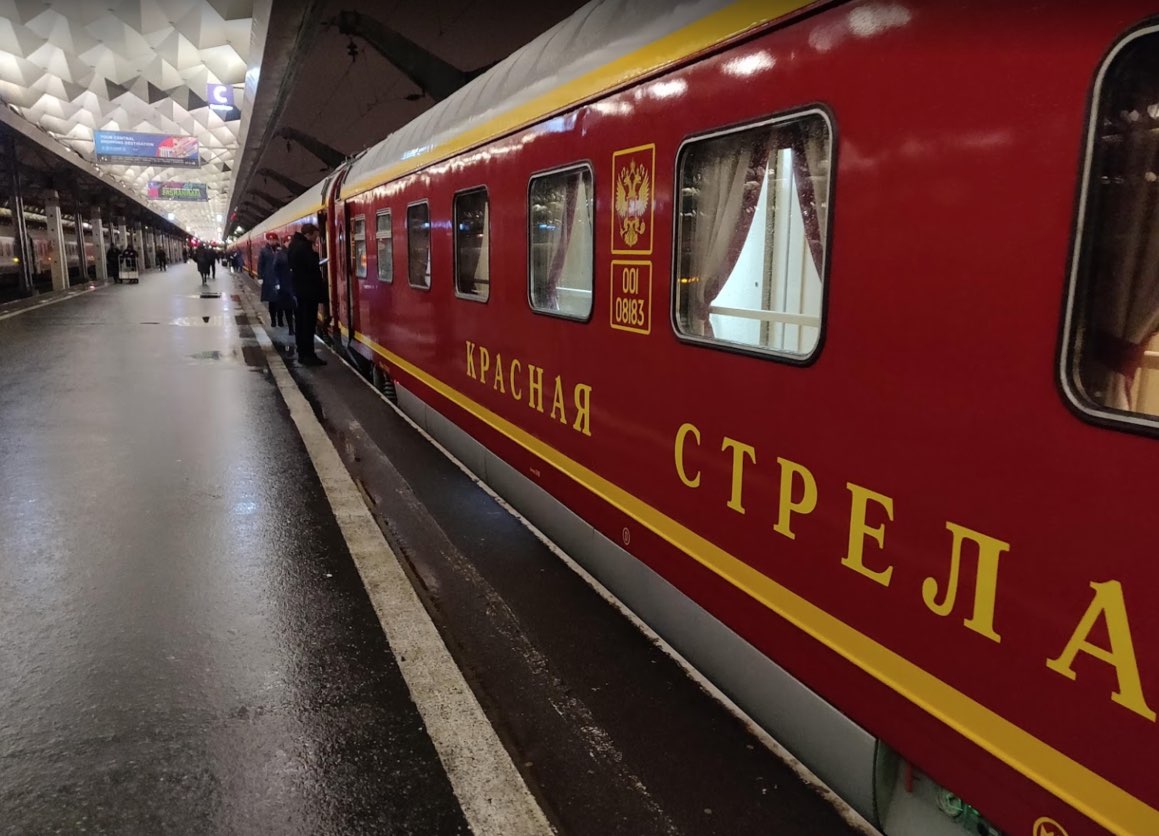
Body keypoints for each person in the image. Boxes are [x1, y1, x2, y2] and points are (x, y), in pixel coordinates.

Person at [287, 223, 326, 366]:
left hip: (300, 291)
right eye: (316, 235)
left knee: (301, 324)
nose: (317, 238)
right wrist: (315, 254)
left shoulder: (294, 245)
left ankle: (303, 354)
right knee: (308, 325)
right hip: (307, 292)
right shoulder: (304, 247)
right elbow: (310, 267)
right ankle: (308, 355)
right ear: (309, 234)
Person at [258, 232, 283, 326]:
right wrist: (260, 277)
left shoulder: (280, 250)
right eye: (270, 240)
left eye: (273, 240)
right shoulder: (264, 251)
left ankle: (280, 320)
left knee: (280, 301)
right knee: (272, 301)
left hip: (280, 278)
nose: (271, 241)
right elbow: (260, 264)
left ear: (276, 240)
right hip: (269, 279)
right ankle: (273, 320)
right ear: (267, 240)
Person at [275, 234, 295, 339]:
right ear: (284, 243)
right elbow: (275, 269)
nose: (289, 244)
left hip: (293, 284)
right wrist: (277, 283)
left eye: (290, 242)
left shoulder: (293, 253)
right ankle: (291, 328)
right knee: (288, 308)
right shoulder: (279, 254)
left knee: (293, 307)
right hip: (284, 285)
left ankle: (293, 328)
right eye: (288, 242)